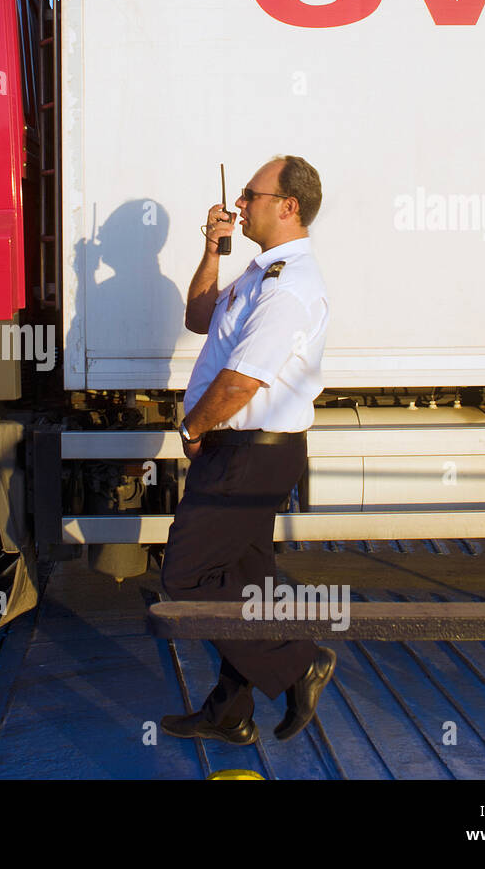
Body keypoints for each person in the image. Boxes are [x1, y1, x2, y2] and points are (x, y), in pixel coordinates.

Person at [160, 155, 334, 745]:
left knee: (184, 578)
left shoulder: (290, 286)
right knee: (244, 588)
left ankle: (298, 662)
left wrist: (192, 430)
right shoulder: (262, 273)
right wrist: (214, 249)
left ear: (288, 206)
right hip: (246, 452)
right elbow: (199, 315)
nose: (239, 204)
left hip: (248, 452)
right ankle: (230, 712)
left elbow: (242, 382)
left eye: (250, 195)